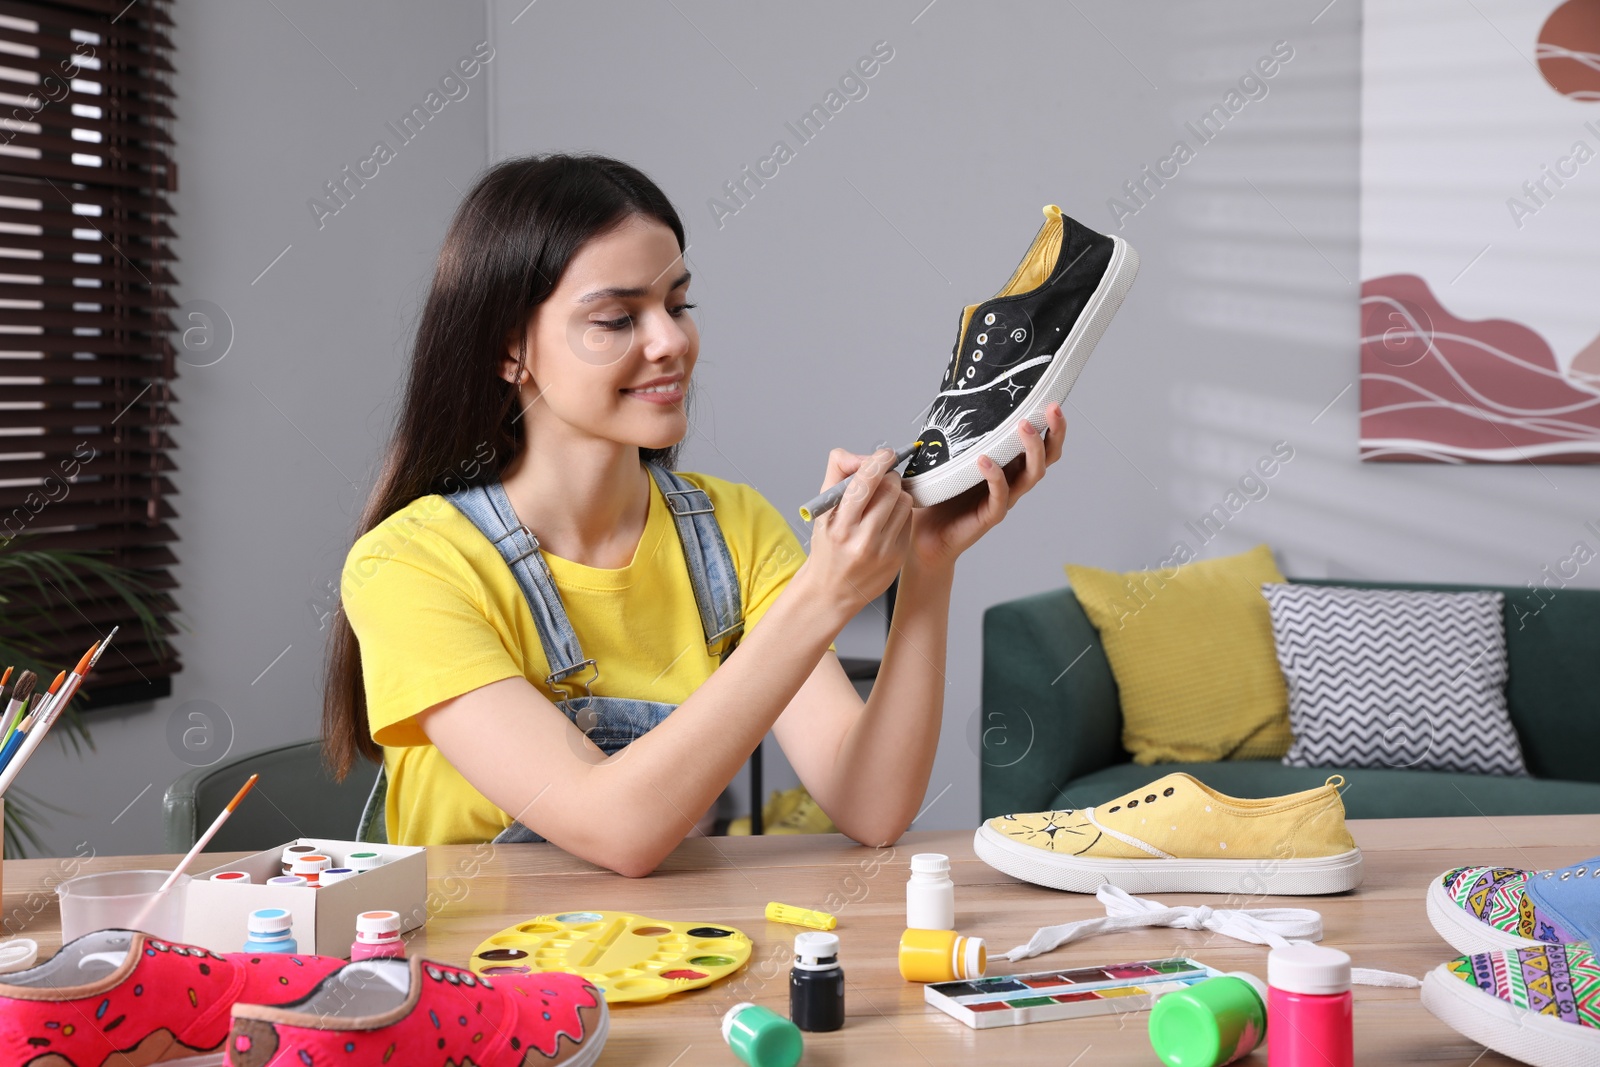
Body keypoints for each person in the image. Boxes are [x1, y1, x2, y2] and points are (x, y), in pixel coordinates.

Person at [322, 153, 1066, 877]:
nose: (672, 341)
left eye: (678, 304)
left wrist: (928, 565)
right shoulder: (410, 566)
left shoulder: (733, 527)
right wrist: (824, 593)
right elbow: (618, 829)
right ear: (510, 349)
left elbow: (870, 806)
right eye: (616, 319)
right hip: (493, 983)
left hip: (678, 959)